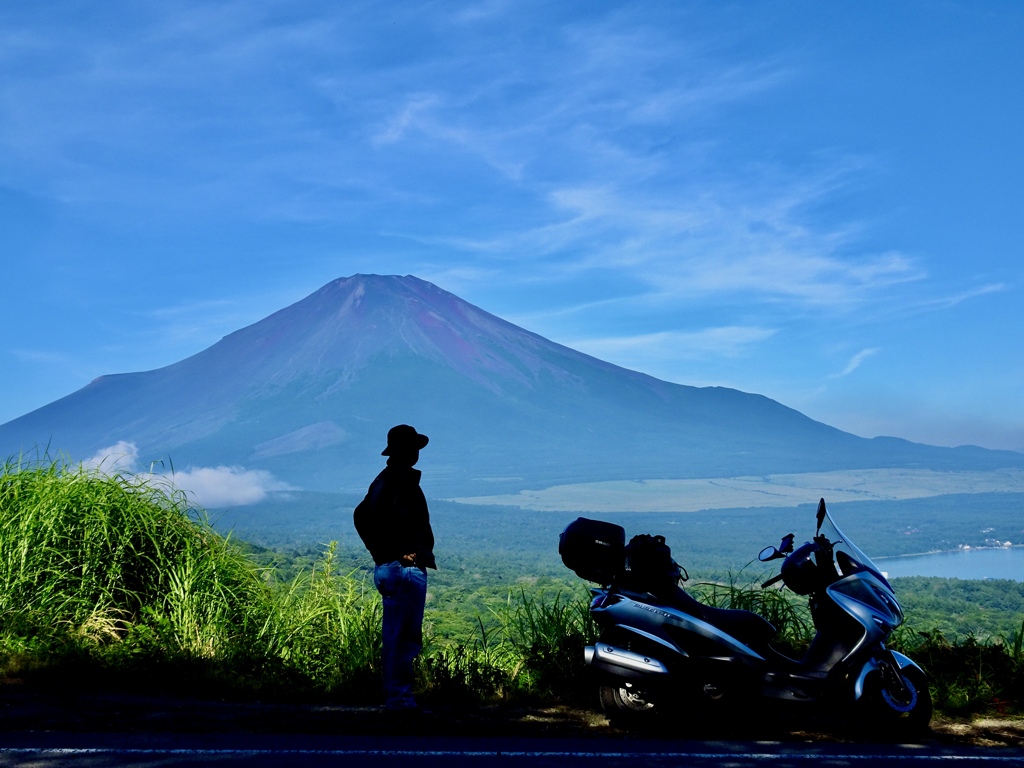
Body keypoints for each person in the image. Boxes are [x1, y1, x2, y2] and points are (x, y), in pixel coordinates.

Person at [353, 424, 436, 711]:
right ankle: (400, 699)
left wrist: (383, 554)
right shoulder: (396, 481)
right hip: (402, 570)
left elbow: (362, 516)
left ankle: (395, 697)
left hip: (394, 567)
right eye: (412, 448)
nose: (416, 454)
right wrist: (397, 553)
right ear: (403, 451)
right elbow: (364, 517)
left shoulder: (387, 481)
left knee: (395, 636)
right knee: (404, 637)